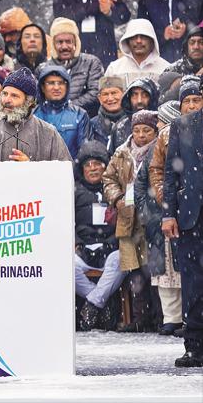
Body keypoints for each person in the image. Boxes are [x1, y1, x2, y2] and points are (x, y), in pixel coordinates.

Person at [102, 110, 159, 332]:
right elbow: (108, 178)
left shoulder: (159, 150)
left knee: (153, 269)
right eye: (137, 130)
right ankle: (138, 318)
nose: (141, 135)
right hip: (127, 219)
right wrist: (116, 198)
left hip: (151, 218)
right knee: (133, 271)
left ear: (154, 131)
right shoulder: (121, 153)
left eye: (146, 130)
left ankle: (158, 318)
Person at [162, 87, 203, 367]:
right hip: (191, 214)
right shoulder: (181, 124)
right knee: (192, 282)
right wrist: (168, 214)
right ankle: (195, 346)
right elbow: (170, 173)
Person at [138, 100, 183, 337]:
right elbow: (141, 183)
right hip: (158, 217)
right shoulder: (154, 149)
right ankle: (171, 318)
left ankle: (185, 318)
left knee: (183, 271)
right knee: (163, 272)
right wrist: (148, 211)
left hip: (182, 214)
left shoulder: (185, 139)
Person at [0, 68, 72, 163]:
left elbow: (65, 173)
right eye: (5, 94)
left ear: (29, 102)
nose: (6, 100)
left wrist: (32, 169)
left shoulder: (49, 133)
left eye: (14, 96)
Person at [73, 141, 124, 331]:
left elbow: (125, 222)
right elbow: (67, 222)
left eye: (97, 164)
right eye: (88, 165)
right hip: (83, 250)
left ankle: (92, 305)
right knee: (65, 266)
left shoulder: (115, 190)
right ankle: (98, 303)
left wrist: (112, 243)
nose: (93, 169)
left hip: (110, 248)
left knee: (121, 259)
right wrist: (78, 243)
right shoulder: (74, 191)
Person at [52, 0, 130, 69]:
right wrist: (94, 4)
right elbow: (62, 16)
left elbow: (124, 16)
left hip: (104, 53)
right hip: (73, 52)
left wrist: (110, 11)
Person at [137, 0, 203, 63]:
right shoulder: (148, 0)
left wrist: (188, 31)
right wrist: (163, 35)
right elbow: (141, 32)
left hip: (193, 63)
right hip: (159, 62)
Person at [38, 18, 104, 117]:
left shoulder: (91, 62)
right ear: (53, 44)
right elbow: (38, 98)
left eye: (68, 41)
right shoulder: (43, 68)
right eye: (60, 42)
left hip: (86, 118)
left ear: (76, 42)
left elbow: (96, 92)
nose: (64, 46)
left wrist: (68, 107)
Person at [33, 65, 90, 159]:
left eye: (61, 83)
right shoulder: (32, 115)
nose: (56, 87)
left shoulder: (79, 115)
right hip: (39, 171)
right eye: (51, 83)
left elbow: (84, 153)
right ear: (42, 87)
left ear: (67, 86)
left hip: (69, 172)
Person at [105, 19, 170, 85]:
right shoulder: (114, 69)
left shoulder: (165, 69)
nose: (138, 41)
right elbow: (106, 93)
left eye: (143, 37)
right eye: (134, 37)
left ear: (152, 41)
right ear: (127, 41)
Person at [107, 77, 159, 155]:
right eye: (135, 95)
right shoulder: (120, 127)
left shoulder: (162, 125)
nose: (139, 101)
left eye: (145, 95)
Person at [159, 24, 203, 104]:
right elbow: (161, 101)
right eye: (192, 42)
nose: (196, 47)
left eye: (201, 42)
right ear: (186, 46)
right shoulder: (173, 69)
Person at [89, 76, 125, 146]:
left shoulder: (132, 121)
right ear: (99, 98)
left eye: (114, 93)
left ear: (124, 94)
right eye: (105, 94)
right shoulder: (92, 125)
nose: (110, 98)